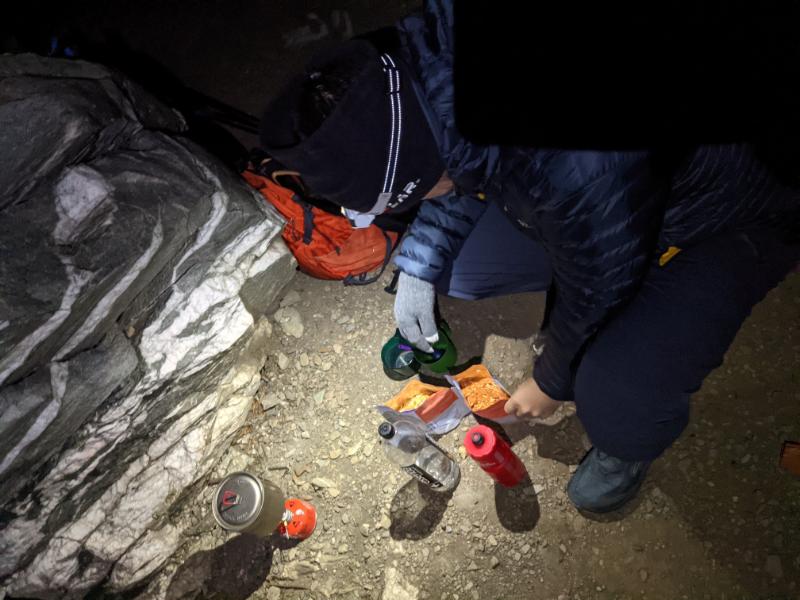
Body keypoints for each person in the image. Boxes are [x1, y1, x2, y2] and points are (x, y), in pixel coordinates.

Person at [260, 0, 800, 513]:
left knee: (609, 382)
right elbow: (459, 165)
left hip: (744, 208)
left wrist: (549, 382)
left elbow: (599, 285)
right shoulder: (431, 64)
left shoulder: (580, 168)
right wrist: (419, 265)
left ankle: (626, 444)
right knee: (461, 266)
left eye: (407, 198)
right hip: (626, 193)